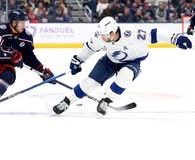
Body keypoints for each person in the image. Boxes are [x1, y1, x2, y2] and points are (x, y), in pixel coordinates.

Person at [53, 16, 192, 115]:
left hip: (133, 61)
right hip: (110, 61)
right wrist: (78, 60)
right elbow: (89, 48)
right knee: (90, 83)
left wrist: (176, 38)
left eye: (105, 35)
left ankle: (106, 101)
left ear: (113, 33)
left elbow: (154, 34)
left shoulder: (132, 33)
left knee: (126, 75)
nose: (102, 37)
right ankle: (66, 102)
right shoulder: (100, 36)